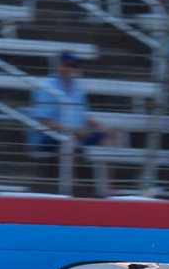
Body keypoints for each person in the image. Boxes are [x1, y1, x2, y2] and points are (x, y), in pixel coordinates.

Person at [29, 52, 115, 193]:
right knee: (71, 141)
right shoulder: (45, 85)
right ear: (58, 65)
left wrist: (100, 127)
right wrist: (72, 130)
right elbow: (43, 121)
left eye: (75, 65)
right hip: (50, 136)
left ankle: (107, 187)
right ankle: (70, 189)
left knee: (109, 137)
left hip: (75, 133)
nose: (72, 68)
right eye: (68, 65)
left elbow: (83, 114)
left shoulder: (77, 86)